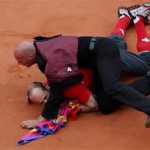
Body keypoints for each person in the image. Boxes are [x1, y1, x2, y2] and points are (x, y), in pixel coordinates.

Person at [14, 2, 150, 129]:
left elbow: (57, 92)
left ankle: (137, 18)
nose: (19, 63)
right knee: (107, 103)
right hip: (97, 59)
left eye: (20, 59)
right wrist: (32, 93)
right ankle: (125, 17)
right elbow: (52, 88)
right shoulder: (41, 49)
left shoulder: (53, 67)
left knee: (138, 69)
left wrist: (43, 118)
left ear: (31, 55)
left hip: (103, 52)